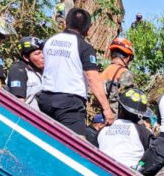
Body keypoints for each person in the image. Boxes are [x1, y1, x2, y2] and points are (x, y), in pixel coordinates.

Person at [39, 9, 115, 137]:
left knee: (45, 140)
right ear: (88, 29)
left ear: (66, 23)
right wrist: (106, 109)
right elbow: (93, 79)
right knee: (74, 147)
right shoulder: (84, 47)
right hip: (69, 106)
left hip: (45, 100)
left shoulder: (50, 42)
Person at [97, 87, 154, 168]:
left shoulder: (103, 129)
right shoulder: (144, 132)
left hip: (100, 171)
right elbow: (152, 157)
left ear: (120, 107)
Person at [6, 36, 44, 109]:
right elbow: (18, 102)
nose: (42, 56)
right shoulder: (18, 70)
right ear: (26, 57)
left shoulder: (42, 70)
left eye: (43, 52)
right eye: (37, 54)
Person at [100, 38, 135, 113]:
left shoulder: (103, 73)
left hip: (103, 118)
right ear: (128, 58)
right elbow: (130, 101)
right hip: (118, 120)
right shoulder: (124, 72)